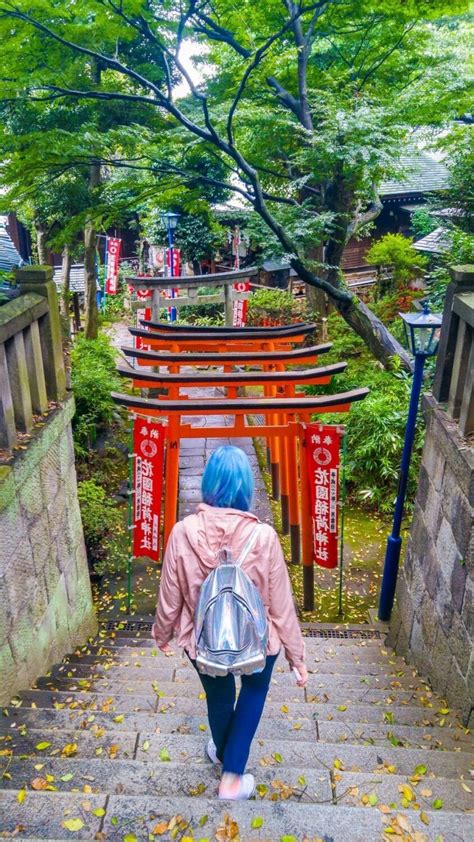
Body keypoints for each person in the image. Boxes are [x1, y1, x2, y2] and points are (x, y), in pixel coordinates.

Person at [152, 445, 308, 800]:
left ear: (209, 484)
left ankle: (225, 756)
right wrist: (297, 657)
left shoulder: (182, 532)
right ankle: (233, 775)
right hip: (258, 640)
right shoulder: (264, 537)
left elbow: (170, 594)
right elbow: (281, 604)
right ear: (246, 487)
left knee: (219, 694)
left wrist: (162, 633)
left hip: (203, 640)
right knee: (253, 690)